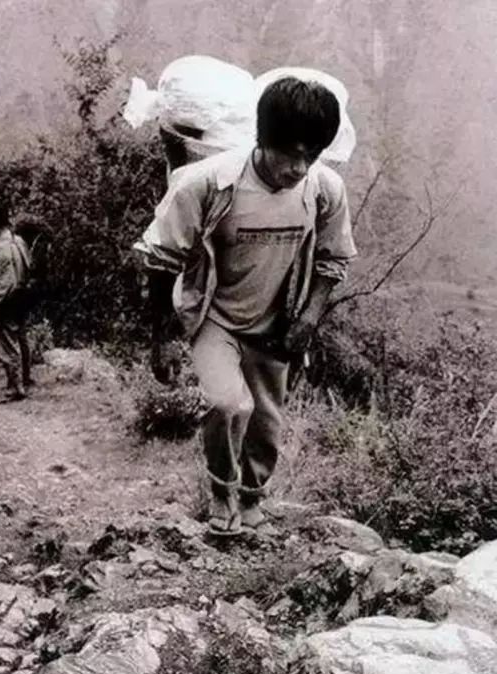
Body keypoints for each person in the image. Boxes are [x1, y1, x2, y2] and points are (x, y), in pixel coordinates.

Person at [136, 76, 357, 533]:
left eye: (311, 156)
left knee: (266, 422)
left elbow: (334, 260)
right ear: (263, 138)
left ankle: (254, 500)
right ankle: (221, 493)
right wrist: (163, 340)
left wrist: (308, 318)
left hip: (276, 321)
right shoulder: (208, 183)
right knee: (228, 404)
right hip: (215, 316)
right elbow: (160, 259)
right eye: (290, 153)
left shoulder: (324, 190)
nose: (299, 168)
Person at [0, 203, 32, 401]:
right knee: (21, 338)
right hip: (23, 295)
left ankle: (15, 387)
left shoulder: (3, 248)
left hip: (8, 300)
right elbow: (29, 267)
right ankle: (26, 379)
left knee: (7, 343)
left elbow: (6, 281)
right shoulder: (19, 241)